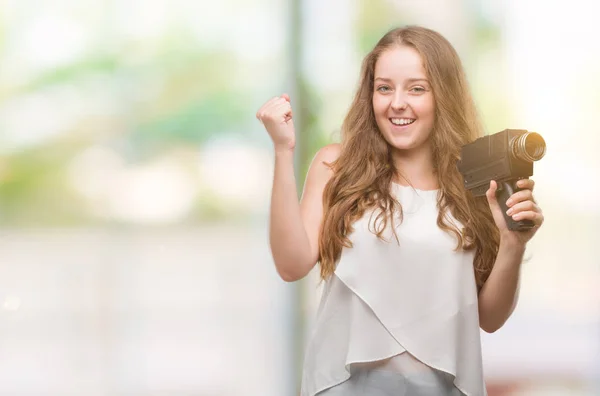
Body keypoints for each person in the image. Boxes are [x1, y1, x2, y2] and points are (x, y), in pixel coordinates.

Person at [255, 25, 544, 396]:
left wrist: (512, 244)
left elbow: (489, 318)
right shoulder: (336, 167)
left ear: (443, 95)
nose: (397, 103)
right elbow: (291, 264)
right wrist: (283, 151)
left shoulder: (475, 186)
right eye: (384, 87)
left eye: (417, 88)